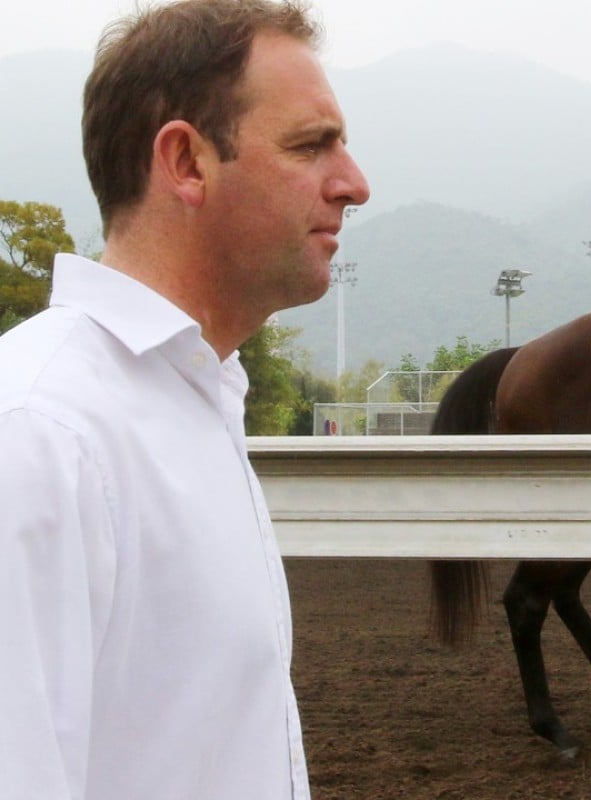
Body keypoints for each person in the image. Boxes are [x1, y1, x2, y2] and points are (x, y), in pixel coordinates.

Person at [0, 1, 369, 798]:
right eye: (312, 146)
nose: (354, 185)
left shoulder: (194, 397)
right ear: (187, 162)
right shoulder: (38, 433)